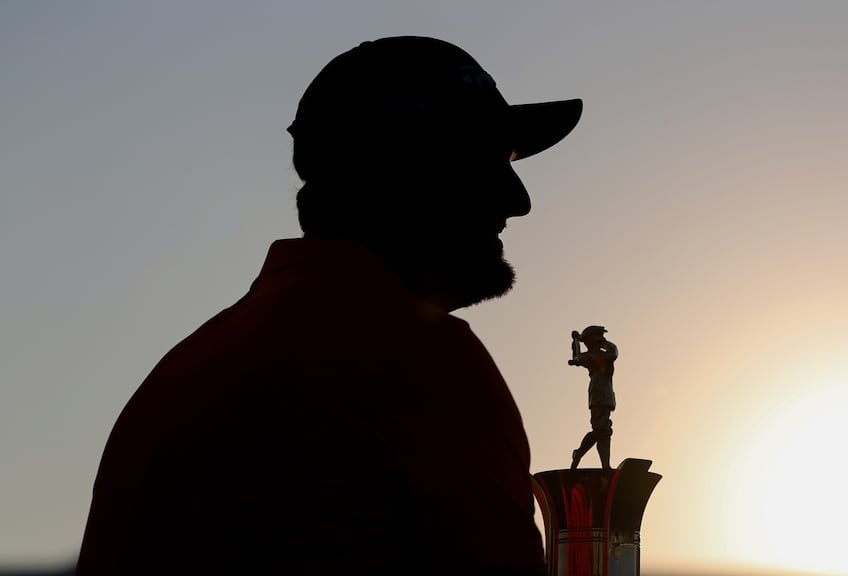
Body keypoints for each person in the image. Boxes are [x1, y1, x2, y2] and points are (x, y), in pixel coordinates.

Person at [77, 36, 582, 575]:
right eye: (490, 162)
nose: (518, 200)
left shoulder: (187, 368)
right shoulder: (416, 359)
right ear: (408, 171)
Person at [568, 326, 618, 470]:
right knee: (600, 429)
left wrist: (580, 340)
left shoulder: (605, 355)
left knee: (604, 431)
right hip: (597, 393)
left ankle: (605, 465)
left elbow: (614, 351)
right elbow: (576, 358)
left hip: (607, 393)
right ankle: (579, 453)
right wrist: (576, 341)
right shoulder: (590, 357)